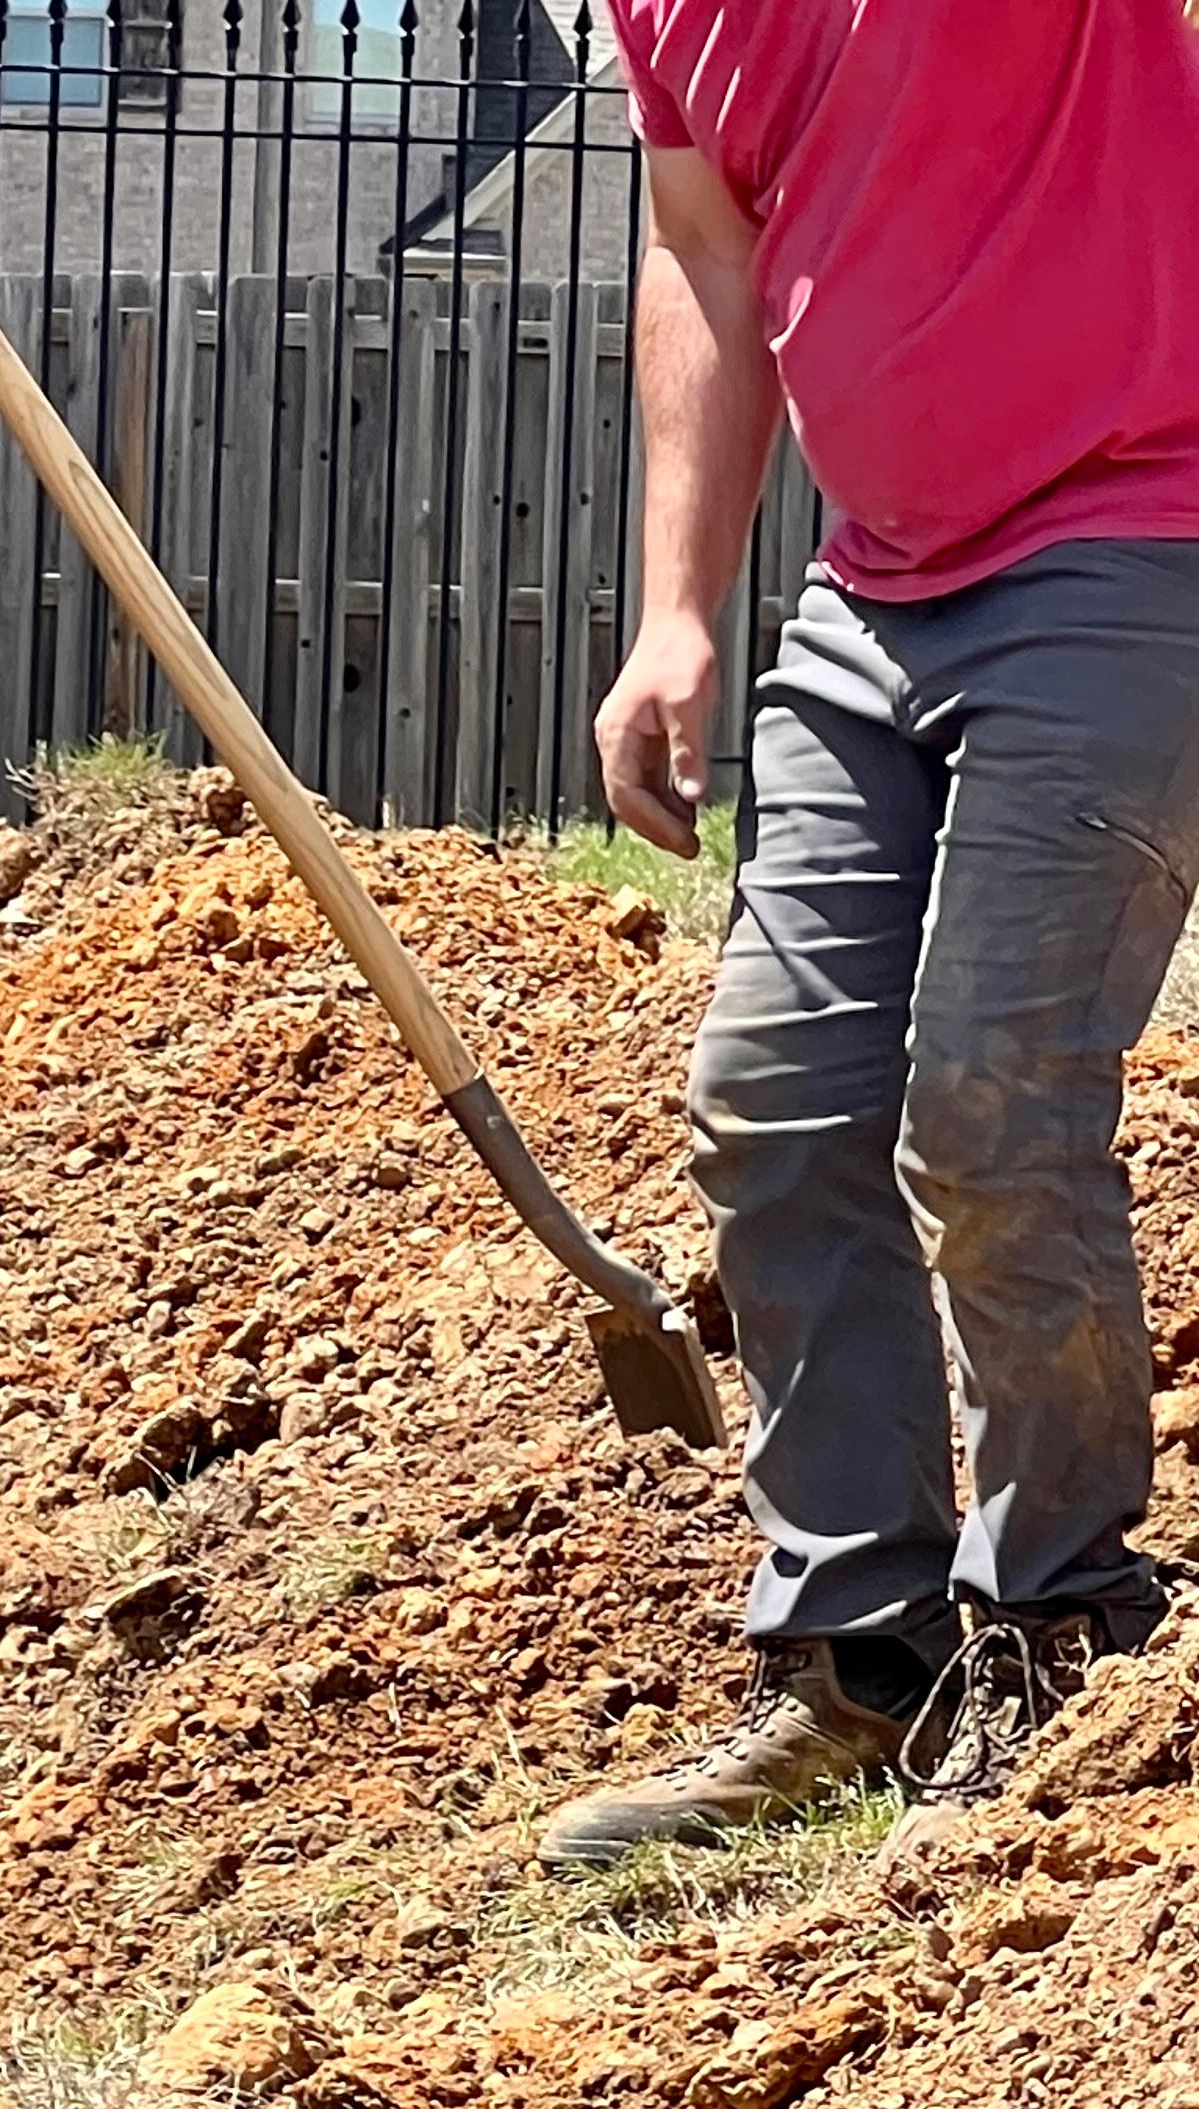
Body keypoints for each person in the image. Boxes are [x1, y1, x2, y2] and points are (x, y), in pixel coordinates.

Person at [541, 0, 1199, 1875]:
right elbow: (706, 245)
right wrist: (675, 613)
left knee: (989, 1103)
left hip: (1135, 543)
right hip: (875, 588)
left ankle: (1071, 1621)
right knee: (773, 1101)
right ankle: (870, 1650)